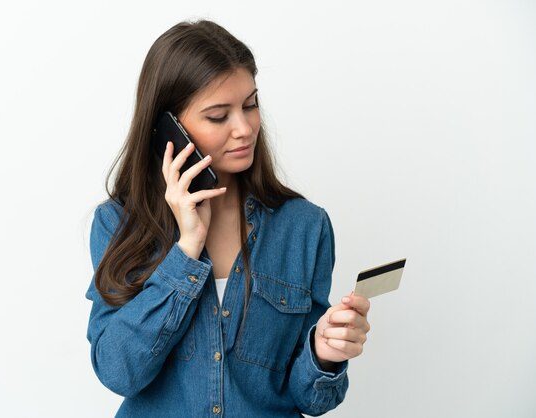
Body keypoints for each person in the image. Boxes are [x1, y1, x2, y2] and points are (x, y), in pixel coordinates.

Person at [85, 19, 371, 417]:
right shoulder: (118, 225)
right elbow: (119, 372)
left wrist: (323, 354)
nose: (244, 128)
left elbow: (310, 398)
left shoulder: (305, 227)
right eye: (219, 116)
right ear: (169, 131)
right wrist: (186, 249)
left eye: (250, 105)